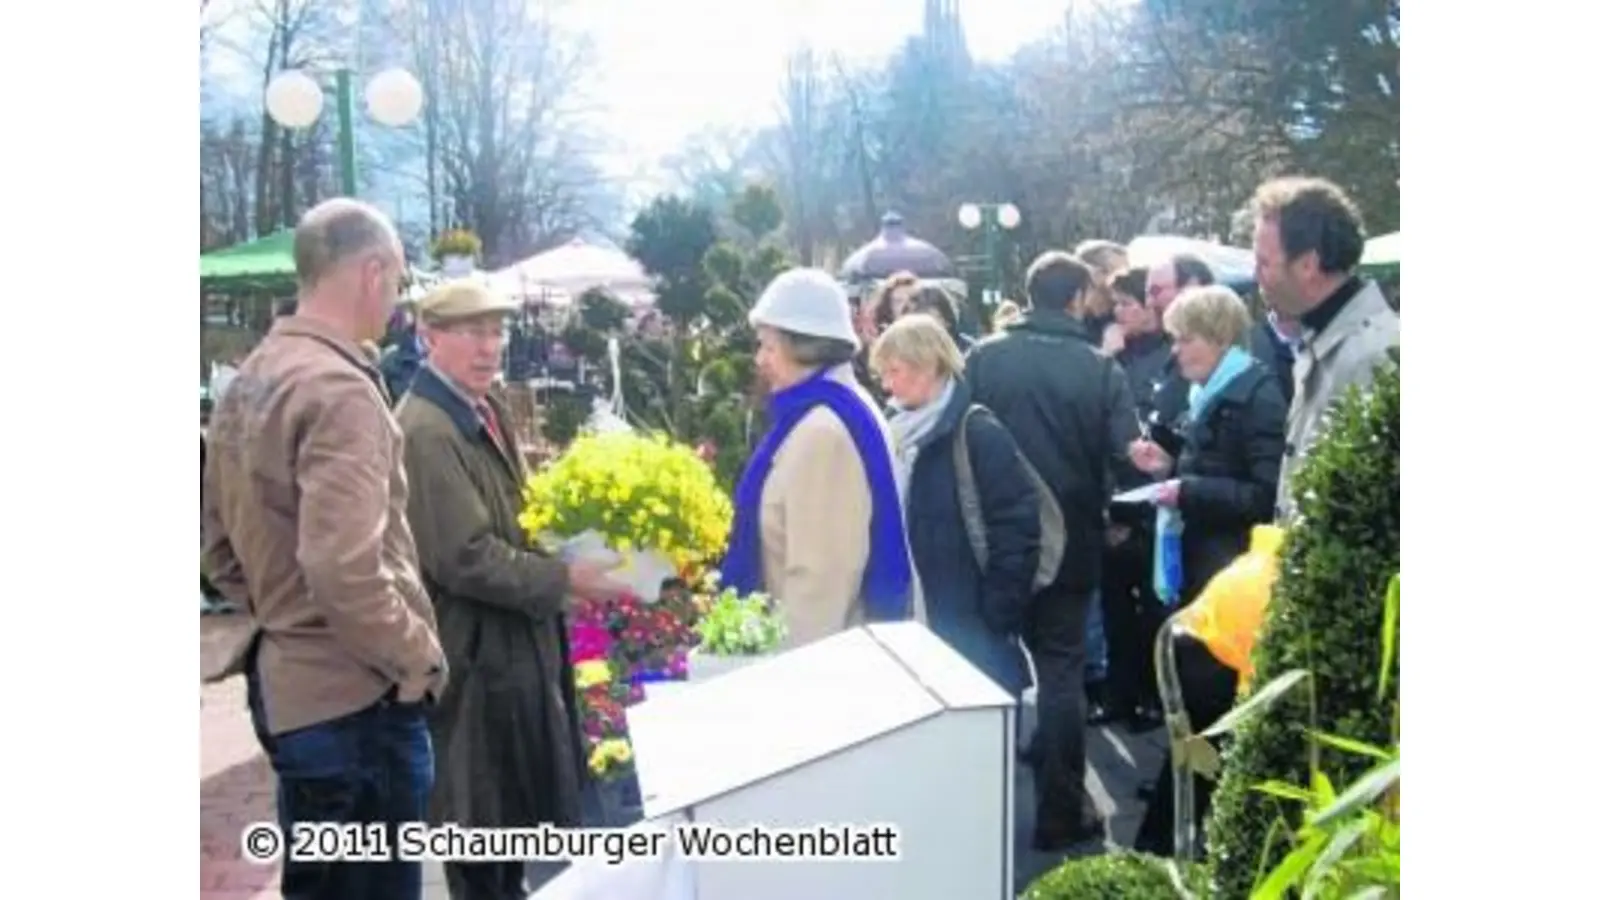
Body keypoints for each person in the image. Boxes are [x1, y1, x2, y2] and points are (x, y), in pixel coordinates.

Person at [201, 198, 448, 900]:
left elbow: (216, 545)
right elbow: (344, 567)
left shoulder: (253, 376)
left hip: (292, 691)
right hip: (357, 703)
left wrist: (281, 615)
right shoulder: (339, 389)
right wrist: (417, 658)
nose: (395, 300)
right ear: (373, 272)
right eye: (397, 280)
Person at [397, 281, 630, 899]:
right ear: (429, 336)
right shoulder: (425, 429)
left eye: (496, 332)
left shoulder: (483, 405)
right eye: (472, 332)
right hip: (473, 658)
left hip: (510, 649)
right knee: (480, 829)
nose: (489, 347)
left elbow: (519, 515)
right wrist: (563, 577)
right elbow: (464, 557)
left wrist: (572, 537)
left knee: (513, 826)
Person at [965, 251, 1143, 850]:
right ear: (1076, 299)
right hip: (1072, 538)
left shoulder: (985, 358)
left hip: (994, 538)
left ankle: (975, 803)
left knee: (989, 661)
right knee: (1062, 670)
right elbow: (1125, 452)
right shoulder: (1098, 369)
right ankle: (1061, 809)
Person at [1127, 284, 1287, 854]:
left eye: (1184, 338)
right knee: (1201, 721)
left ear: (1218, 337)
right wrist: (1169, 467)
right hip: (1210, 574)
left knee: (1207, 717)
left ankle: (1170, 847)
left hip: (1228, 585)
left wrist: (1186, 488)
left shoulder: (1256, 396)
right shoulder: (1219, 392)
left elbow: (1267, 495)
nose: (1175, 351)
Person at [719, 268, 915, 647]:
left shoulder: (822, 432)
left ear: (806, 348)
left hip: (814, 664)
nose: (759, 359)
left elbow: (819, 583)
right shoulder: (832, 408)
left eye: (768, 347)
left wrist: (789, 670)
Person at [871, 313, 1040, 696]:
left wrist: (997, 612)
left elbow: (1017, 528)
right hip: (915, 614)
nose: (887, 384)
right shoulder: (893, 431)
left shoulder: (978, 432)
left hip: (971, 624)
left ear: (928, 366)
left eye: (894, 371)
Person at [1249, 176, 1400, 519]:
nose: (1256, 276)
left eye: (1264, 263)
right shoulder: (1321, 341)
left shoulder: (1379, 355)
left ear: (1308, 265)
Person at [1096, 266, 1165, 730]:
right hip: (1115, 495)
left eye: (1128, 303)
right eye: (1116, 303)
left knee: (1151, 606)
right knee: (1115, 605)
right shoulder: (1113, 356)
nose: (1118, 312)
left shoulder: (1166, 357)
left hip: (1153, 498)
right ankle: (1119, 692)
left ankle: (1149, 695)